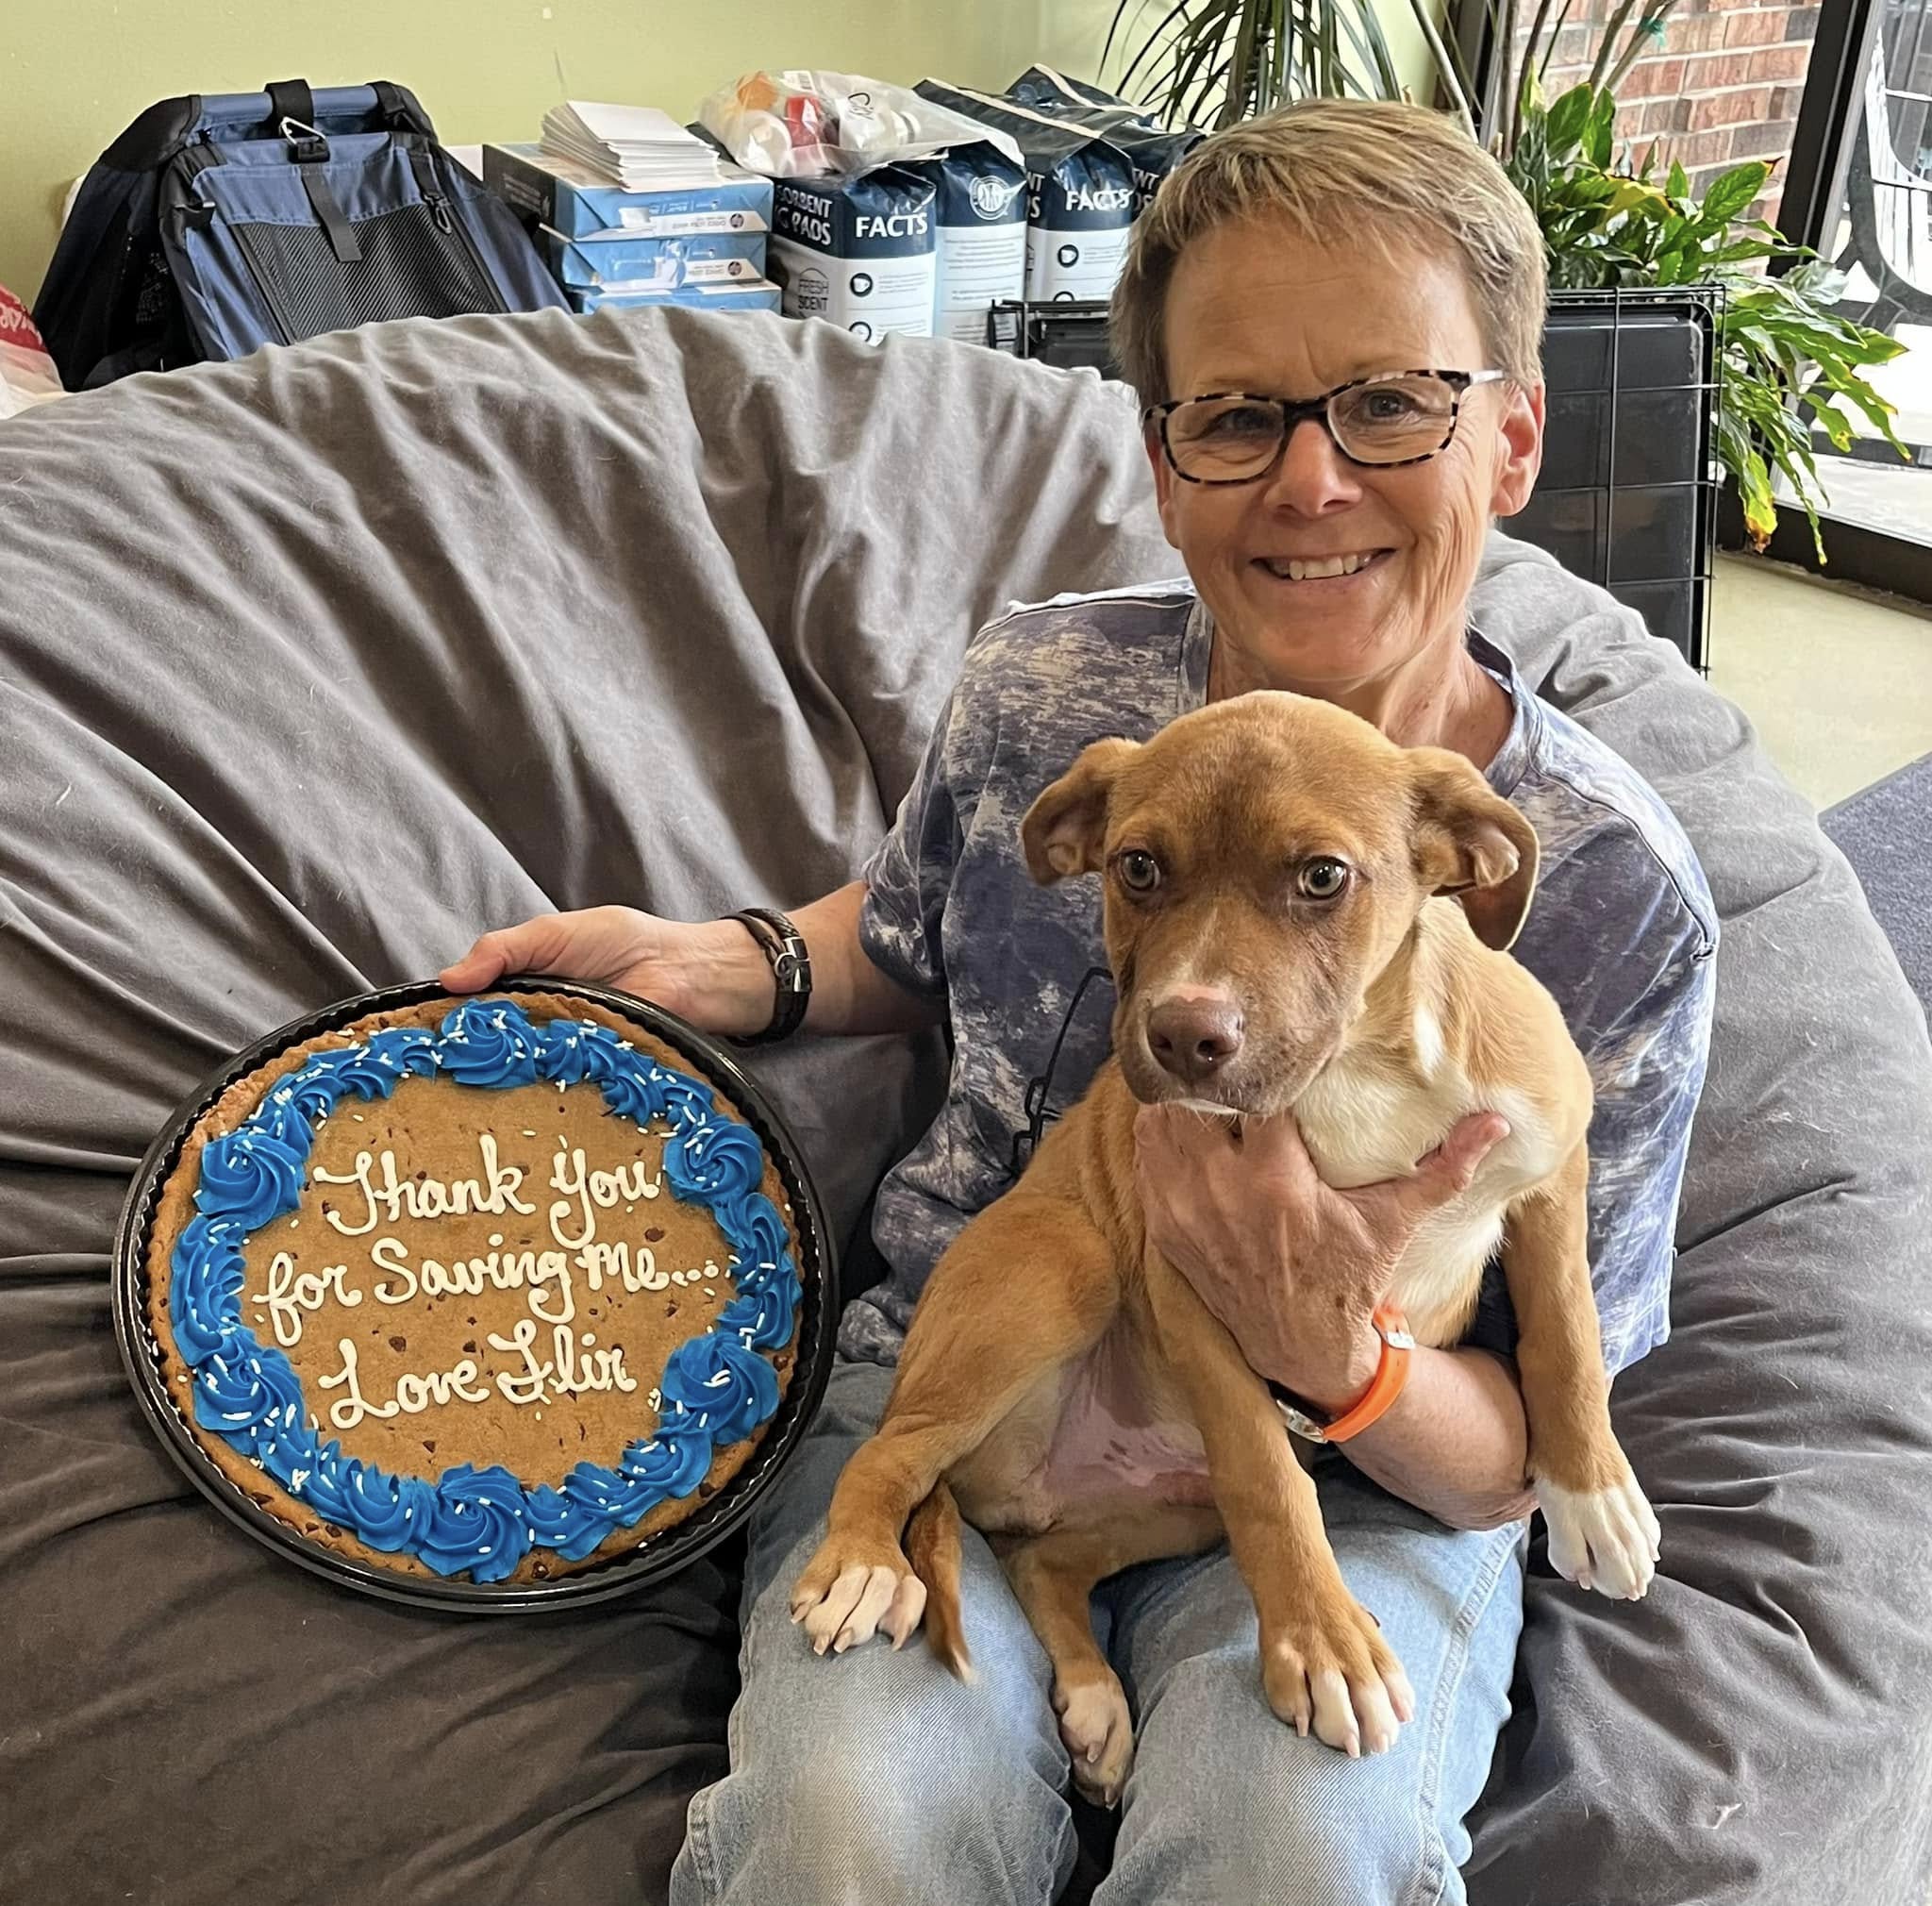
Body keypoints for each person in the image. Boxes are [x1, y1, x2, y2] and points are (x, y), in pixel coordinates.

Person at [442, 98, 1716, 1906]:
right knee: (845, 1829)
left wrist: (1333, 1357)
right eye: (1237, 415)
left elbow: (1525, 1442)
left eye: (1391, 403)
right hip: (1005, 1369)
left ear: (1511, 435)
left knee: (1295, 1848)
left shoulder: (1607, 889)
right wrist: (715, 961)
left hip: (1377, 1472)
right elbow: (907, 935)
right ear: (1162, 453)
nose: (1310, 479)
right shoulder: (1049, 687)